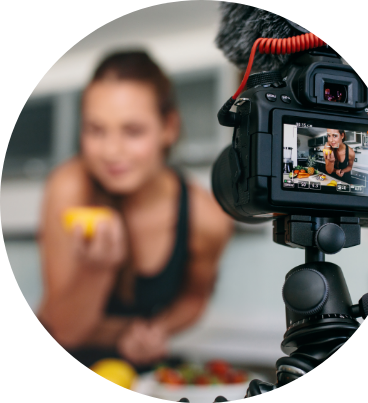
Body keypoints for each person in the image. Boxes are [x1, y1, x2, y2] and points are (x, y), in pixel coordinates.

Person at [36, 51, 234, 369]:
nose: (112, 151)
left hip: (143, 373)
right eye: (96, 130)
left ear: (168, 128)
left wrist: (156, 331)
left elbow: (194, 300)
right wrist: (97, 270)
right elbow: (63, 329)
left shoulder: (205, 217)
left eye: (132, 131)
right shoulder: (69, 188)